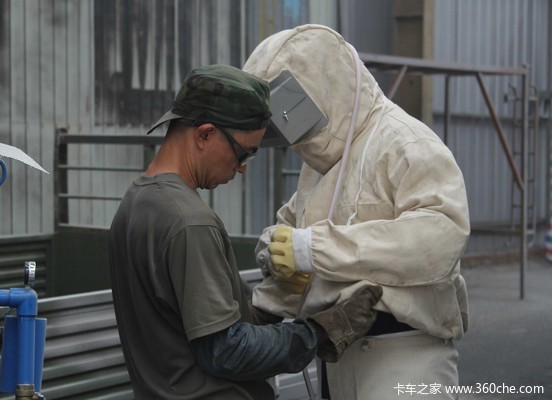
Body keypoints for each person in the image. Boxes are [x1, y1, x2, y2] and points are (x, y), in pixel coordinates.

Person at [108, 64, 383, 399]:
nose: (241, 168)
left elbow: (196, 322)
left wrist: (271, 300)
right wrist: (320, 332)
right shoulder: (189, 222)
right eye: (242, 153)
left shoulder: (136, 202)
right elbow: (226, 351)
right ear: (204, 134)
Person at [243, 24, 471, 399]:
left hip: (405, 354)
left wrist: (309, 249)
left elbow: (440, 236)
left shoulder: (405, 142)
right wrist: (275, 264)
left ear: (320, 84)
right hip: (335, 354)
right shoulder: (319, 162)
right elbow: (294, 228)